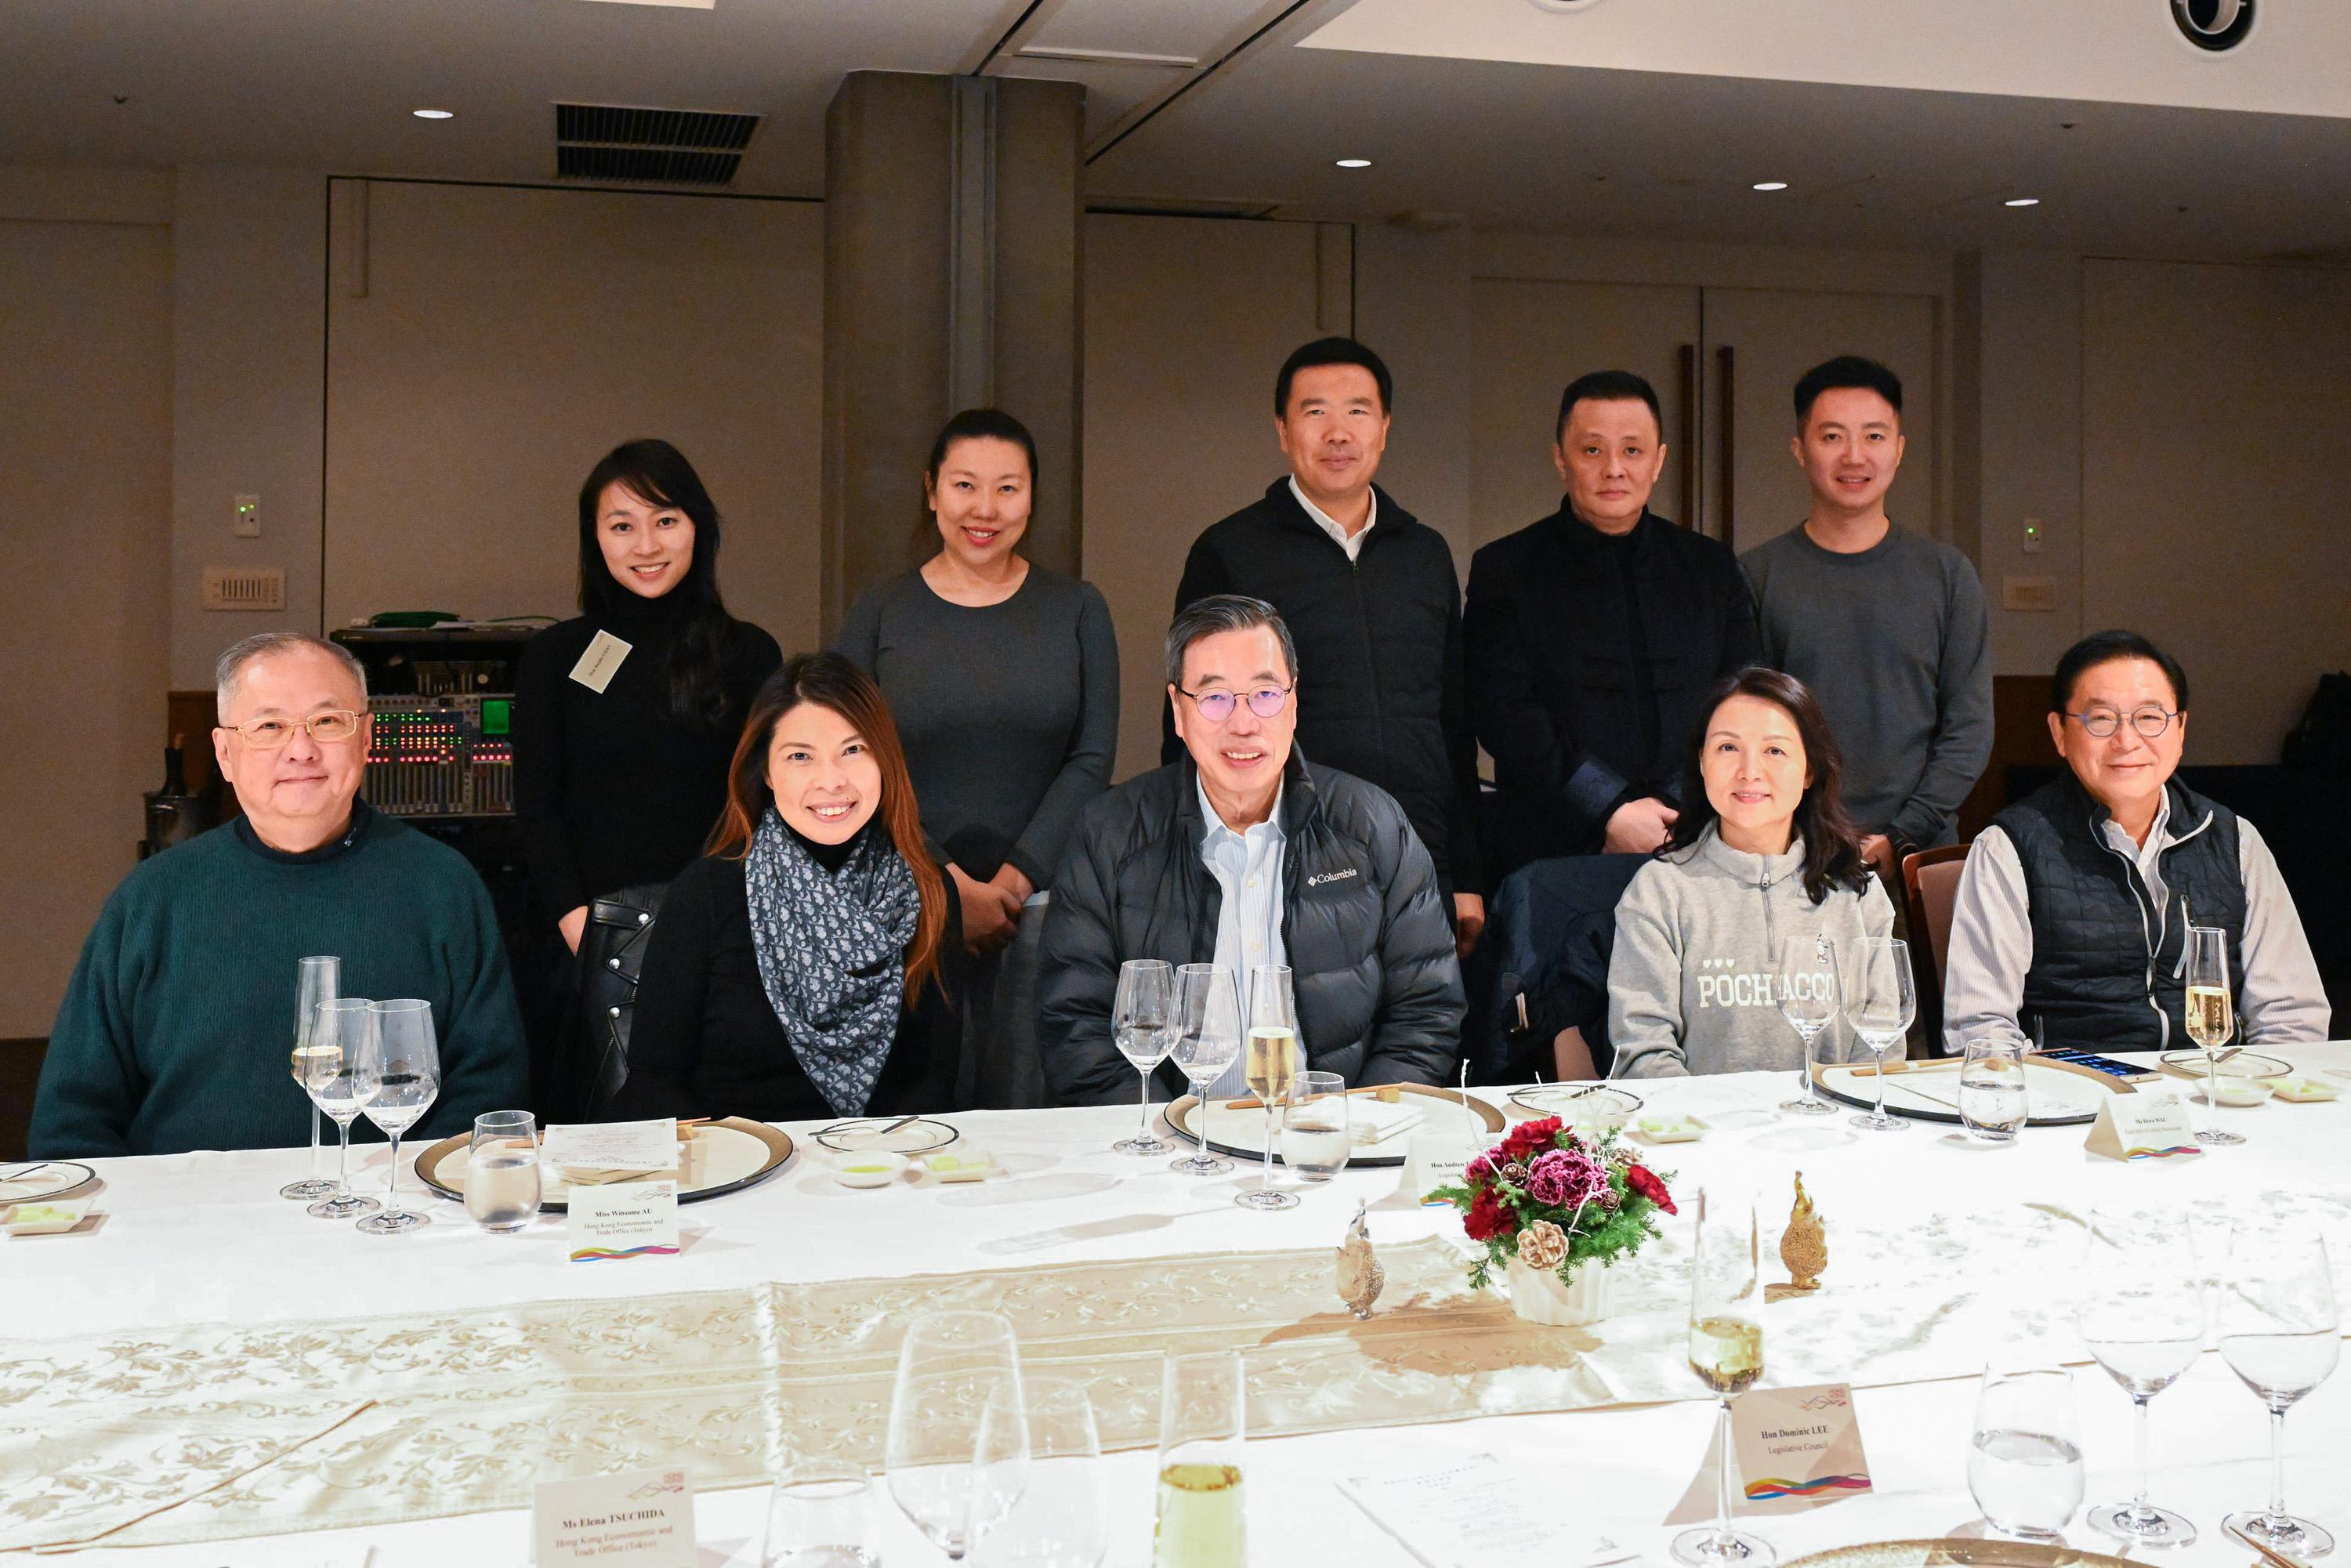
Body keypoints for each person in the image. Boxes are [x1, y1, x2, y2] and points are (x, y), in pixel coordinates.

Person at [31, 633, 528, 1157]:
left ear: (366, 740)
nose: (301, 749)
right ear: (225, 752)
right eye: (269, 726)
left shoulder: (441, 884)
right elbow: (72, 1117)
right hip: (188, 1216)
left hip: (386, 1215)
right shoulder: (152, 898)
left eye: (328, 722)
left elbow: (488, 1090)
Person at [1041, 595, 1462, 1105]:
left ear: (1294, 700)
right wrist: (1164, 1145)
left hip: (1331, 1144)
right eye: (1215, 698)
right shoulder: (1110, 834)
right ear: (1178, 711)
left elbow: (1428, 1010)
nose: (1243, 724)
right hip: (1169, 1155)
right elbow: (1074, 1026)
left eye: (1265, 694)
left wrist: (1353, 1129)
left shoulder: (1371, 825)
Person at [1166, 337, 1485, 957]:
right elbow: (1185, 725)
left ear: (1385, 428)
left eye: (1358, 411)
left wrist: (1467, 874)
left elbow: (1455, 722)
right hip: (1284, 854)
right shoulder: (1231, 551)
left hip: (1419, 857)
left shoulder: (1424, 554)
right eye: (1315, 412)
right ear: (1283, 430)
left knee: (1424, 1040)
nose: (1338, 432)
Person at [513, 439, 783, 1112]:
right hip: (587, 935)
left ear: (699, 527)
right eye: (622, 525)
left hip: (723, 934)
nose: (646, 544)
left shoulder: (749, 652)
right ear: (594, 537)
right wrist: (582, 926)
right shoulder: (556, 656)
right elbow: (537, 806)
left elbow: (763, 804)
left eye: (666, 520)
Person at [614, 654, 964, 1122]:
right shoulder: (707, 893)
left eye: (854, 750)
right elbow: (654, 1085)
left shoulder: (929, 891)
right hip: (737, 1168)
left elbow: (933, 1085)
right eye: (800, 756)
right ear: (766, 773)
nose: (831, 781)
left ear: (885, 760)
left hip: (879, 1171)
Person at [1943, 631, 2328, 1054]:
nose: (2127, 741)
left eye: (2150, 718)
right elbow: (1980, 1029)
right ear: (2060, 733)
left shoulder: (2234, 839)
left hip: (2214, 1092)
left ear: (2180, 729)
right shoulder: (2010, 847)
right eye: (2102, 719)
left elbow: (2291, 1016)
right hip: (2077, 1097)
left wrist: (2259, 1096)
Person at [835, 408, 1118, 955]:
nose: (985, 509)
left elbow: (1092, 758)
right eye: (964, 485)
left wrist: (1012, 884)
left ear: (1032, 496)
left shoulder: (1079, 608)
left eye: (1007, 488)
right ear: (932, 491)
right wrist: (947, 886)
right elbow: (849, 757)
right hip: (901, 902)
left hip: (1048, 906)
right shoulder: (880, 609)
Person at [1466, 368, 1760, 878]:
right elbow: (1503, 711)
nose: (1614, 469)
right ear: (1561, 458)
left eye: (1632, 450)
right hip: (1556, 848)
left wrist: (1677, 806)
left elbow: (1745, 697)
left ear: (1659, 460)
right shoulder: (1507, 568)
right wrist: (1609, 809)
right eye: (1592, 450)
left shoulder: (1710, 567)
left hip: (1698, 838)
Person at [1741, 357, 1991, 880]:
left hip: (1919, 858)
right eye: (1832, 436)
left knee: (1920, 967)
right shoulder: (1757, 575)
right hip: (1789, 852)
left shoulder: (1947, 574)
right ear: (1799, 448)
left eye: (1874, 436)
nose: (1854, 456)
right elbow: (1747, 726)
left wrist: (1903, 833)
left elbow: (1968, 729)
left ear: (1899, 449)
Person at [1609, 668, 1893, 1078]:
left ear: (1810, 770)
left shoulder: (1857, 890)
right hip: (1701, 1134)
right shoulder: (1658, 891)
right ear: (1702, 762)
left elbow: (1881, 1046)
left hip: (1835, 1131)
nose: (1749, 772)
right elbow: (1642, 1053)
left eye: (1774, 751)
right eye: (1728, 748)